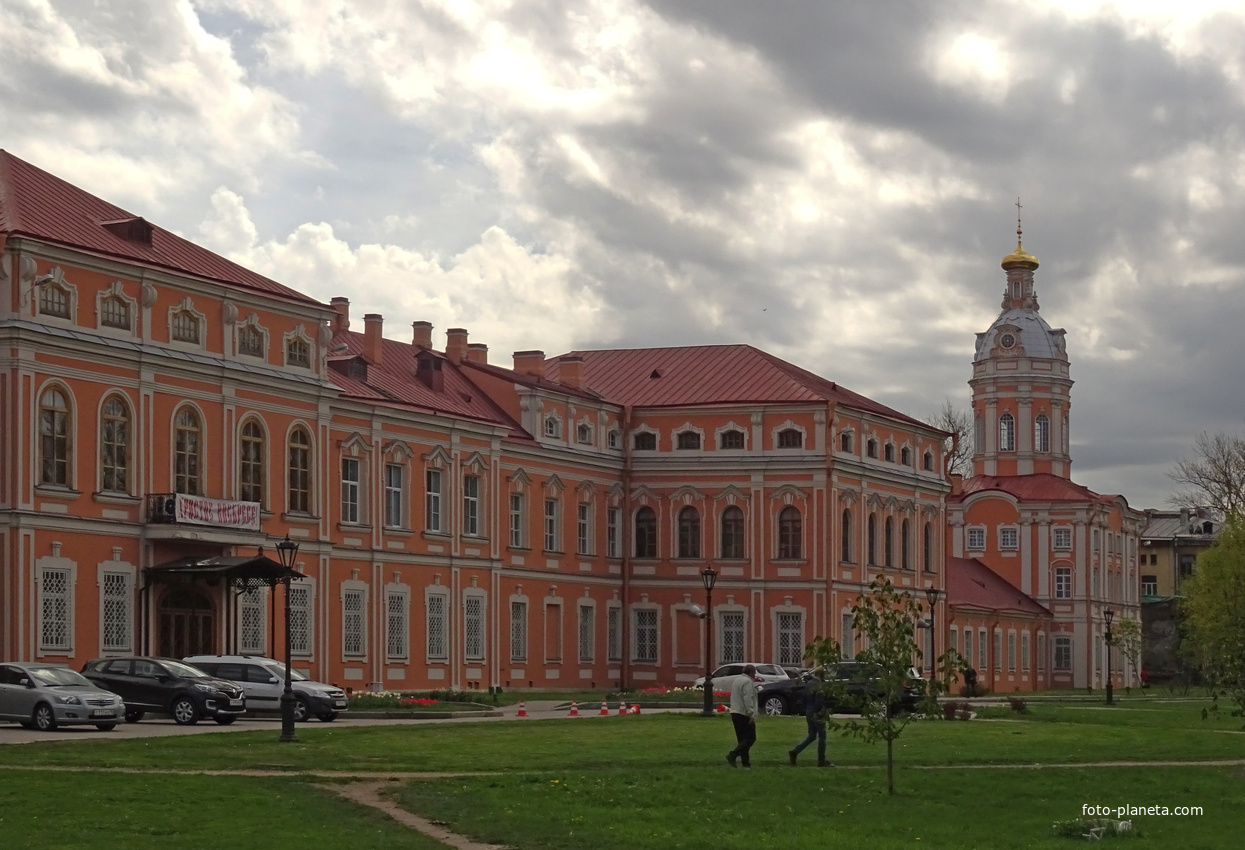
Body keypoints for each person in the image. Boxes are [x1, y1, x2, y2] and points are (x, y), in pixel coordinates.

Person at [788, 669, 829, 767]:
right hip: (817, 712)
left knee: (812, 735)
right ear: (822, 676)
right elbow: (819, 700)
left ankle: (795, 751)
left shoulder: (809, 683)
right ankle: (821, 760)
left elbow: (804, 699)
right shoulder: (819, 685)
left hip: (809, 711)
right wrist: (820, 712)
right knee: (822, 736)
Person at [725, 664, 758, 767]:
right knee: (751, 738)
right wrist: (751, 714)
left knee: (742, 739)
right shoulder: (747, 682)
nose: (755, 675)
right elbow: (747, 698)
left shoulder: (737, 680)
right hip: (743, 713)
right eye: (754, 673)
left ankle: (745, 762)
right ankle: (733, 755)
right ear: (751, 673)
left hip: (735, 712)